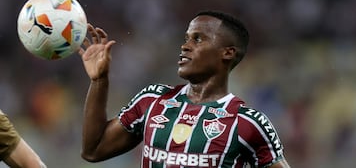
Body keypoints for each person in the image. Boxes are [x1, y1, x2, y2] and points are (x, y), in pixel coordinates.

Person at [78, 10, 291, 168]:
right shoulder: (152, 100)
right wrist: (99, 81)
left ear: (227, 53)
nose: (185, 46)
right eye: (186, 38)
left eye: (198, 39)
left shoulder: (247, 123)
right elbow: (94, 150)